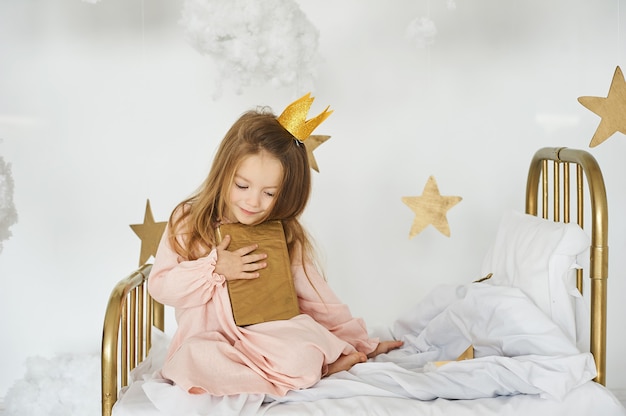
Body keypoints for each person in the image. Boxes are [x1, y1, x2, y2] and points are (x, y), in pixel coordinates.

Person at [148, 94, 403, 397]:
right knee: (191, 361)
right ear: (223, 173)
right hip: (210, 342)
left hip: (265, 340)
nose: (253, 201)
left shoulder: (283, 234)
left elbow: (318, 298)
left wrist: (361, 342)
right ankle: (282, 377)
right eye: (242, 186)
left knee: (302, 352)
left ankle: (279, 374)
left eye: (269, 193)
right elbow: (161, 287)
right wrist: (213, 267)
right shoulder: (189, 221)